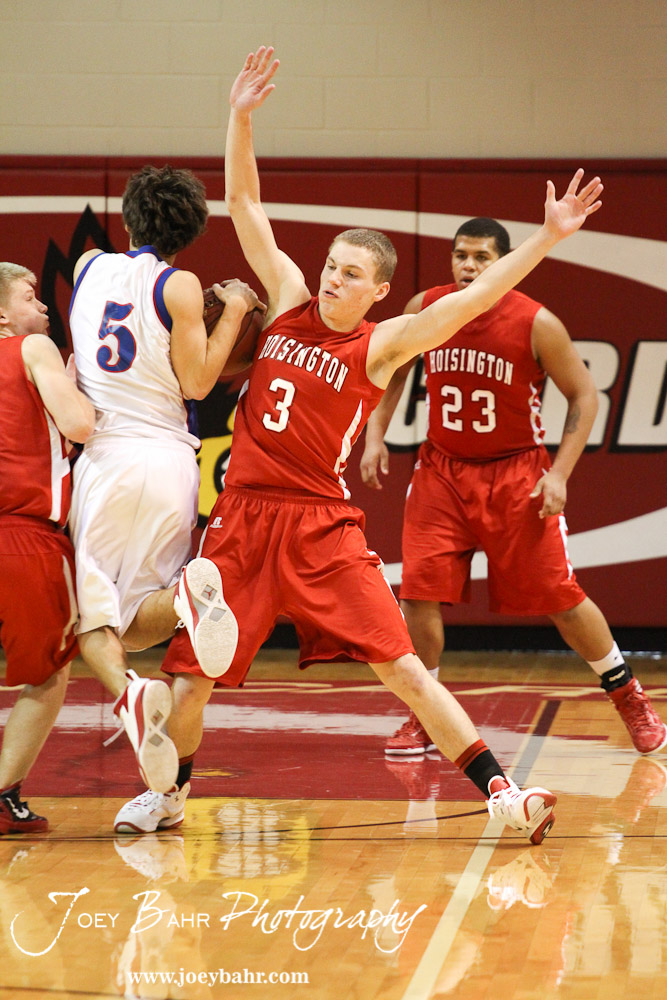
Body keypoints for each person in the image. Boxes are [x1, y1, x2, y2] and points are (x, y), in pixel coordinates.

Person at [113, 47, 604, 844]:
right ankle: (169, 797)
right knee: (192, 681)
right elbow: (245, 204)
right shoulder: (289, 302)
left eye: (350, 274)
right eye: (331, 265)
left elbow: (479, 294)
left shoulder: (381, 345)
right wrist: (239, 116)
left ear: (377, 289)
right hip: (241, 519)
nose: (331, 278)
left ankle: (501, 793)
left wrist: (547, 237)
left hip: (318, 526)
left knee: (402, 665)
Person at [360, 216, 667, 758]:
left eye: (482, 257)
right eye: (461, 255)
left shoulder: (535, 322)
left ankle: (630, 698)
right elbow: (392, 367)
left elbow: (584, 396)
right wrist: (376, 435)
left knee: (562, 600)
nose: (469, 266)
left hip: (516, 475)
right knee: (418, 595)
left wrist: (560, 473)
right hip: (441, 471)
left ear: (504, 261)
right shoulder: (426, 307)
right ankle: (426, 715)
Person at [69, 165, 259, 794]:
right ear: (193, 231)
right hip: (170, 457)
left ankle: (132, 691)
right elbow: (199, 383)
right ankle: (184, 599)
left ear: (127, 218)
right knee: (130, 619)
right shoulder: (180, 287)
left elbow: (194, 378)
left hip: (107, 455)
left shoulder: (88, 266)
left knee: (94, 618)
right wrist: (233, 309)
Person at [0, 263, 95, 833]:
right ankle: (4, 794)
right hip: (22, 535)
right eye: (31, 296)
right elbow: (80, 426)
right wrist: (77, 381)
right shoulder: (31, 347)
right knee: (46, 676)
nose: (43, 308)